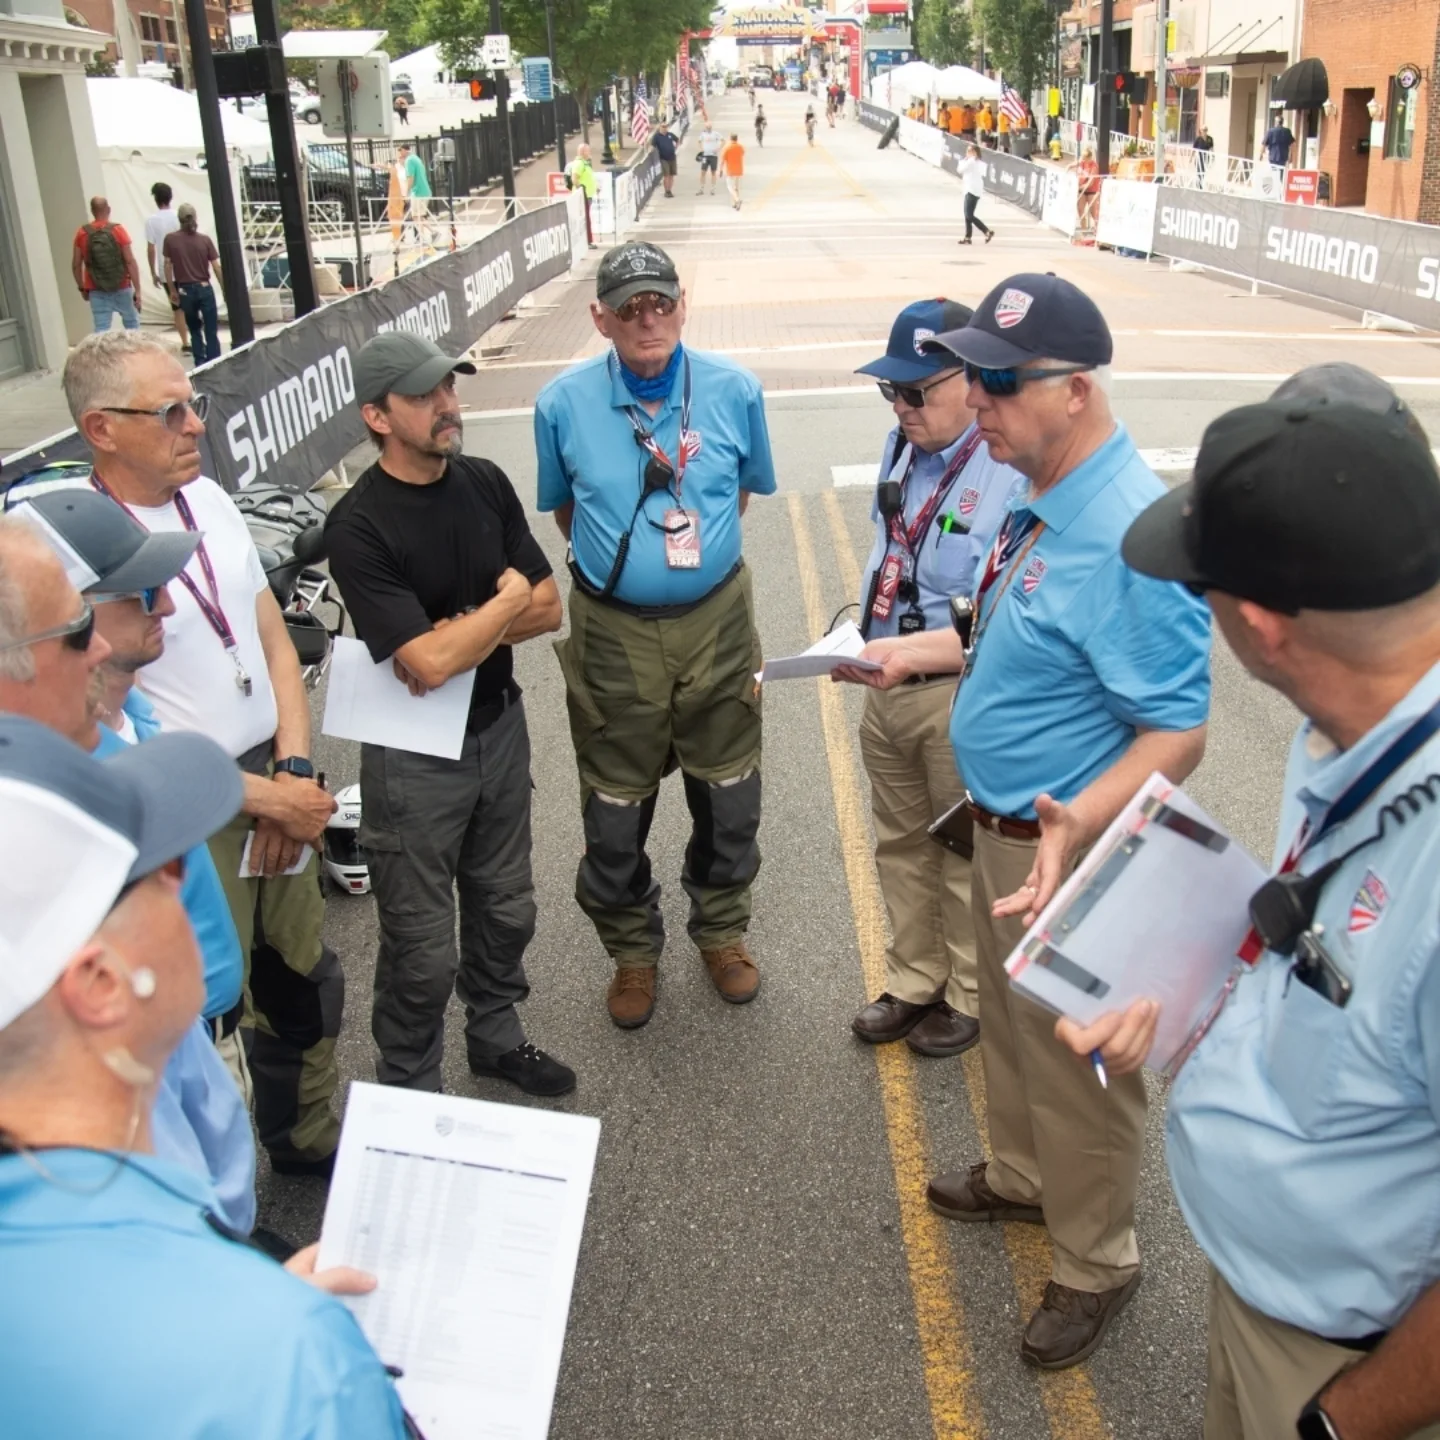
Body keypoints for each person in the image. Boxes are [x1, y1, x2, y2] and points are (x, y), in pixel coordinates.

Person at [1072, 365, 1440, 1440]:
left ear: (1264, 626)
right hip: (1266, 1301)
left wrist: (1341, 1420)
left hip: (1355, 1372)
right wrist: (1195, 1009)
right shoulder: (1351, 725)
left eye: (1204, 588)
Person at [854, 275, 1211, 1367]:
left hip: (1073, 849)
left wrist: (1075, 821)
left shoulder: (1129, 532)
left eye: (1002, 383)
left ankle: (1098, 1260)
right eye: (977, 377)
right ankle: (1020, 1177)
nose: (979, 399)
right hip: (1003, 832)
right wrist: (917, 651)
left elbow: (1180, 729)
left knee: (1079, 1073)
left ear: (1077, 391)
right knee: (1010, 1036)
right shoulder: (1040, 487)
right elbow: (1011, 625)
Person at [0, 715, 411, 1439]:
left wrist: (246, 1308)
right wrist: (282, 1341)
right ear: (100, 984)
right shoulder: (292, 1365)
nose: (186, 876)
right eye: (156, 872)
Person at [61, 331, 342, 1179]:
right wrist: (260, 798)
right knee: (210, 1009)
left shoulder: (211, 501)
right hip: (192, 807)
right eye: (170, 412)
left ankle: (305, 1140)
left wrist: (293, 770)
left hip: (273, 772)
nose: (195, 426)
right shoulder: (75, 550)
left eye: (197, 405)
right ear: (101, 428)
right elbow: (108, 727)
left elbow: (273, 641)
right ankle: (224, 1196)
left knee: (300, 978)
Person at [324, 333, 574, 1099]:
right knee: (421, 946)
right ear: (377, 416)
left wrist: (455, 633)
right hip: (412, 756)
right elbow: (433, 662)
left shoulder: (484, 482)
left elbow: (549, 608)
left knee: (507, 908)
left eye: (449, 388)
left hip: (498, 726)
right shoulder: (358, 525)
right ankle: (409, 1085)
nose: (447, 404)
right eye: (424, 395)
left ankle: (495, 1037)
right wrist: (500, 602)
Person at [534, 242, 776, 1029]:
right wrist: (632, 570)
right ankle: (632, 950)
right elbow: (567, 510)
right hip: (614, 633)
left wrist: (686, 568)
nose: (648, 320)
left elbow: (737, 496)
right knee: (614, 806)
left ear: (682, 306)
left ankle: (722, 932)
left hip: (717, 621)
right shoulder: (561, 405)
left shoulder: (734, 390)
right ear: (600, 317)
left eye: (661, 303)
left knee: (729, 794)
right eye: (629, 308)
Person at [0, 497, 257, 1235]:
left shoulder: (120, 721)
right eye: (79, 627)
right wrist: (219, 1267)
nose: (101, 651)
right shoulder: (39, 827)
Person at [837, 301, 1022, 1056]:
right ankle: (915, 980)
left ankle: (969, 993)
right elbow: (893, 555)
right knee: (899, 848)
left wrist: (913, 654)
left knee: (960, 855)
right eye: (892, 391)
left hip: (956, 690)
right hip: (885, 682)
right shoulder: (901, 448)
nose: (901, 407)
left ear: (970, 381)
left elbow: (1004, 616)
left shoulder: (1006, 468)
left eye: (917, 391)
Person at [162, 204, 223, 368]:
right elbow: (216, 267)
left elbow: (167, 265)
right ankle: (214, 361)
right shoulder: (205, 240)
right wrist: (224, 289)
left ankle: (200, 361)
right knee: (211, 329)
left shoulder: (170, 239)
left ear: (179, 219)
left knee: (194, 328)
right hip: (204, 287)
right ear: (195, 218)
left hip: (184, 290)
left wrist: (172, 289)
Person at [72, 196, 142, 334]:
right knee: (132, 325)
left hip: (96, 289)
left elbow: (76, 264)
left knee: (101, 329)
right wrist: (138, 290)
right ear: (108, 209)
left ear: (92, 211)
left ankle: (103, 348)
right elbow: (130, 261)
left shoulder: (82, 233)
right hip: (122, 286)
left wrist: (82, 288)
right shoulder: (118, 230)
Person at [144, 183, 190, 354]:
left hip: (166, 270)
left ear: (156, 199)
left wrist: (153, 272)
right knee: (190, 303)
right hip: (185, 267)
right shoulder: (179, 216)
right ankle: (196, 337)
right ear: (170, 197)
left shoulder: (151, 221)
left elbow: (151, 248)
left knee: (177, 307)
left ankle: (185, 342)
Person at [397, 143, 433, 246]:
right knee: (419, 216)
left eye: (400, 151)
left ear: (405, 150)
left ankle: (431, 233)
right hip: (424, 191)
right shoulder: (417, 159)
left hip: (418, 192)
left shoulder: (409, 161)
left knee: (416, 216)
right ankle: (424, 238)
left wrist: (406, 193)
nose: (400, 153)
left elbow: (410, 178)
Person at [958, 144, 993, 245]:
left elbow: (960, 170)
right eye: (967, 151)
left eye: (970, 151)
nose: (968, 153)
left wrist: (968, 160)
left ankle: (986, 231)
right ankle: (967, 237)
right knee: (968, 214)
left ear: (975, 153)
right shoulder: (978, 163)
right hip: (975, 190)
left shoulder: (971, 162)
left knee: (969, 215)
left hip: (971, 190)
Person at [565, 142, 598, 246]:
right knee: (585, 219)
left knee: (586, 218)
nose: (590, 152)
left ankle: (586, 241)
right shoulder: (579, 164)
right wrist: (581, 189)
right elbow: (574, 178)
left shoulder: (584, 163)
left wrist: (595, 187)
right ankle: (587, 241)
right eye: (588, 150)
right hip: (583, 196)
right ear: (583, 152)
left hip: (587, 195)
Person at [651, 121, 679, 198]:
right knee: (666, 175)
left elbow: (677, 140)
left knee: (671, 175)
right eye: (663, 126)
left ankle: (670, 190)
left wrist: (676, 147)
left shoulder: (670, 135)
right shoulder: (657, 137)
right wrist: (649, 149)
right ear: (660, 127)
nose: (664, 128)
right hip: (664, 158)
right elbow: (652, 146)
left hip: (672, 157)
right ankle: (666, 191)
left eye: (666, 126)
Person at [721, 132, 745, 210]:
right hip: (739, 170)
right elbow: (742, 153)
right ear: (737, 139)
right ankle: (735, 203)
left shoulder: (727, 147)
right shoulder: (740, 146)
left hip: (730, 170)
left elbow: (722, 160)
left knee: (730, 187)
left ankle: (737, 200)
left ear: (730, 138)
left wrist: (721, 170)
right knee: (736, 187)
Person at [697, 121, 722, 195]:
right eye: (707, 127)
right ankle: (701, 189)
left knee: (713, 172)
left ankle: (713, 189)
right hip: (705, 156)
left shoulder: (715, 134)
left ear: (711, 127)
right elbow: (699, 141)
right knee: (703, 172)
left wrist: (718, 148)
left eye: (710, 127)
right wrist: (701, 149)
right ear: (705, 127)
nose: (708, 128)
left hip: (713, 156)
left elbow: (723, 140)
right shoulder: (703, 134)